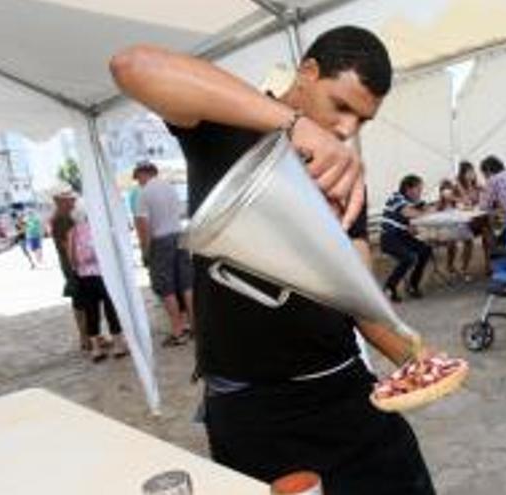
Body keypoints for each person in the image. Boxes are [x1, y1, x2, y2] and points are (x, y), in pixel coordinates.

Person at [111, 26, 435, 493]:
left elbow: (360, 299)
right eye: (341, 105)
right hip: (254, 411)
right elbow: (132, 65)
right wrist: (292, 124)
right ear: (307, 72)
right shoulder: (226, 124)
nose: (347, 129)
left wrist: (418, 357)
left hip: (345, 389)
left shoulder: (339, 173)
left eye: (363, 120)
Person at [133, 161, 194, 347]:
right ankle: (195, 325)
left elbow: (142, 226)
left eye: (138, 177)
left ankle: (178, 330)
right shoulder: (170, 187)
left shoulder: (144, 193)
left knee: (165, 287)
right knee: (185, 283)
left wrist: (145, 251)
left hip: (160, 241)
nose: (138, 182)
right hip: (179, 236)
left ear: (143, 174)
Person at [67, 206, 128, 362]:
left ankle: (96, 349)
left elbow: (71, 260)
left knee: (91, 312)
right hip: (103, 275)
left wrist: (81, 267)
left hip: (84, 279)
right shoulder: (98, 229)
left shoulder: (72, 233)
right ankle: (118, 345)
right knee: (110, 309)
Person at [381, 174, 433, 302]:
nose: (420, 193)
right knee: (409, 258)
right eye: (418, 189)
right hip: (389, 237)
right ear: (408, 189)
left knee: (426, 250)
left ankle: (413, 285)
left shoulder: (411, 201)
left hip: (402, 236)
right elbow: (408, 213)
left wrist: (427, 208)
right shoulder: (396, 198)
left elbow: (427, 208)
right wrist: (425, 212)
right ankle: (390, 287)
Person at [50, 187, 90, 352]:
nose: (74, 201)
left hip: (71, 264)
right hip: (73, 264)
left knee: (81, 300)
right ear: (61, 202)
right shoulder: (62, 219)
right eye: (70, 199)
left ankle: (87, 335)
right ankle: (85, 336)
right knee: (81, 301)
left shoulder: (64, 217)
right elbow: (67, 244)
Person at [435, 179, 474, 280]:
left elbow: (468, 204)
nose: (448, 193)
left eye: (450, 189)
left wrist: (459, 191)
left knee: (469, 240)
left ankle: (464, 267)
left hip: (458, 226)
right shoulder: (440, 204)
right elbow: (436, 212)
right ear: (441, 192)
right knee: (452, 242)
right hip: (445, 228)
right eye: (444, 190)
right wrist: (445, 199)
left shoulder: (456, 202)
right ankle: (450, 266)